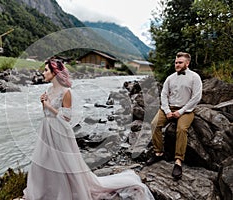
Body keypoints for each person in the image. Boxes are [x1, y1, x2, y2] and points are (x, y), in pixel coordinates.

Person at [23, 59, 154, 200]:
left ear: (55, 72)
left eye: (46, 70)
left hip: (60, 131)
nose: (43, 73)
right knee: (45, 161)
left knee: (64, 164)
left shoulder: (66, 92)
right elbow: (46, 113)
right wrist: (43, 104)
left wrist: (48, 106)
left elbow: (67, 117)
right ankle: (47, 191)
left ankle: (65, 192)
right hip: (47, 129)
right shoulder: (48, 90)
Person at [146, 52, 202, 179]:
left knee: (181, 129)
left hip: (186, 110)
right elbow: (164, 95)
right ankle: (159, 153)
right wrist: (167, 111)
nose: (177, 64)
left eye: (180, 62)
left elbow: (196, 97)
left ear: (187, 63)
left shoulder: (195, 77)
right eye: (176, 62)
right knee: (154, 124)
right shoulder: (170, 78)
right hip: (169, 108)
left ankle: (178, 161)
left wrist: (180, 112)